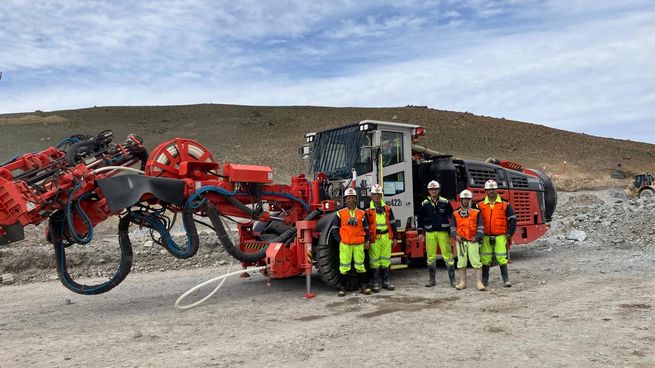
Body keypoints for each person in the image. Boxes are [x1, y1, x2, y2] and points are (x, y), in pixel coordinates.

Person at [331, 187, 372, 296]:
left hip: (359, 244)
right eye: (348, 198)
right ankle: (342, 288)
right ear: (345, 200)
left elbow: (366, 229)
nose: (350, 200)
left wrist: (367, 241)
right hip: (345, 244)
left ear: (356, 199)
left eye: (352, 198)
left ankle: (363, 287)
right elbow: (335, 229)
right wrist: (340, 240)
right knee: (344, 267)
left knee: (360, 266)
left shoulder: (362, 213)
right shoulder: (340, 213)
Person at [477, 180, 517, 287]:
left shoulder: (505, 204)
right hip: (485, 236)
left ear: (497, 190)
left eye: (493, 189)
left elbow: (513, 220)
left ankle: (506, 280)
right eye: (489, 189)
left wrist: (509, 234)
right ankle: (485, 280)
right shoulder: (479, 205)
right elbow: (473, 220)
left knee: (501, 258)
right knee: (485, 258)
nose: (491, 191)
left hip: (500, 236)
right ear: (485, 191)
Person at [418, 180, 455, 287]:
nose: (433, 191)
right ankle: (432, 280)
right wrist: (420, 233)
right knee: (430, 257)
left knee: (448, 256)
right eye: (431, 189)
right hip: (430, 233)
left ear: (439, 190)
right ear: (428, 191)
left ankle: (452, 280)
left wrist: (453, 230)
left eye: (435, 189)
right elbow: (420, 219)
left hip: (443, 233)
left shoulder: (446, 202)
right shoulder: (424, 204)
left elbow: (452, 218)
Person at [365, 184, 399, 292]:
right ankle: (375, 283)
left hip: (386, 237)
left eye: (378, 194)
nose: (376, 196)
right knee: (374, 261)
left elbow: (393, 223)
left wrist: (395, 237)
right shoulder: (367, 209)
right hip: (374, 237)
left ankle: (386, 282)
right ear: (371, 195)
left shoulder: (387, 208)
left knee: (386, 260)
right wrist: (367, 239)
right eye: (374, 194)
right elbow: (365, 226)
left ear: (381, 195)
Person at [450, 190, 485, 291]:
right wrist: (455, 236)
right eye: (464, 199)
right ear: (461, 200)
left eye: (468, 199)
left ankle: (479, 282)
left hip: (473, 241)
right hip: (461, 242)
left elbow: (480, 227)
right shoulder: (455, 213)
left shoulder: (476, 212)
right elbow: (452, 227)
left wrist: (477, 237)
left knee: (476, 262)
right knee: (461, 262)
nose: (465, 201)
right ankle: (462, 282)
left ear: (471, 200)